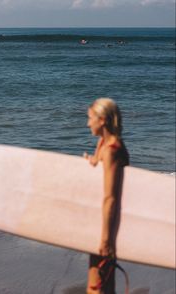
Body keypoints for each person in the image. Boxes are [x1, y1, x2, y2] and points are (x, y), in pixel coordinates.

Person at [84, 98, 129, 294]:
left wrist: (106, 239)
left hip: (109, 224)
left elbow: (111, 197)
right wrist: (90, 162)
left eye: (90, 118)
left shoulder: (112, 150)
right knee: (98, 282)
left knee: (98, 287)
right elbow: (96, 163)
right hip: (99, 219)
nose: (88, 123)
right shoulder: (103, 143)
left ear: (102, 120)